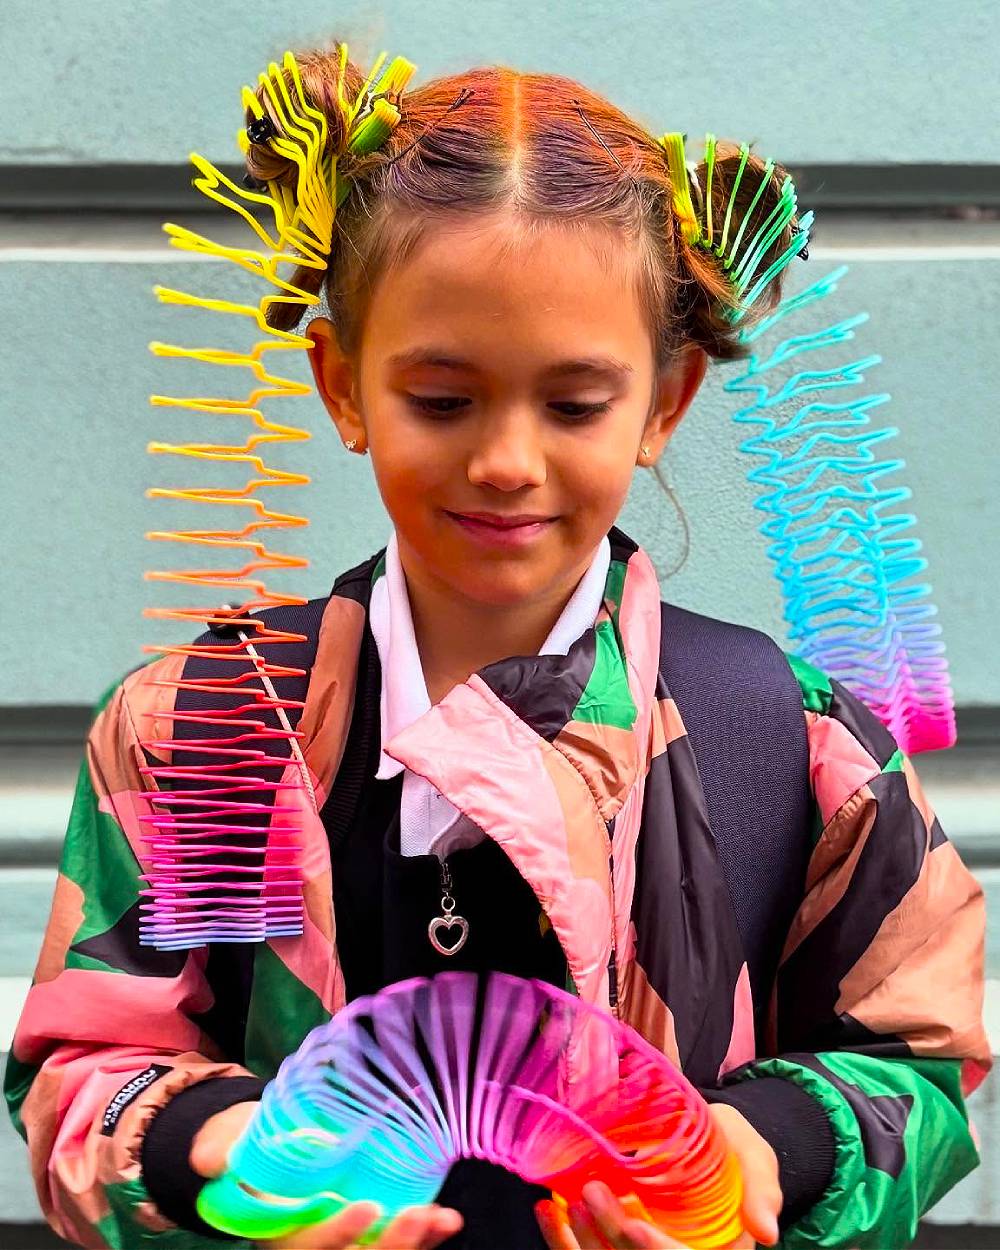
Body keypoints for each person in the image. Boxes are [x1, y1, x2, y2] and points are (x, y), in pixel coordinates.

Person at [4, 39, 990, 1250]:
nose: (507, 461)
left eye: (573, 403)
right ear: (343, 384)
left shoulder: (787, 742)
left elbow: (915, 1064)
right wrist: (209, 1142)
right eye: (442, 398)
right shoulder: (205, 728)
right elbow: (86, 1063)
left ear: (664, 402)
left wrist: (767, 1141)